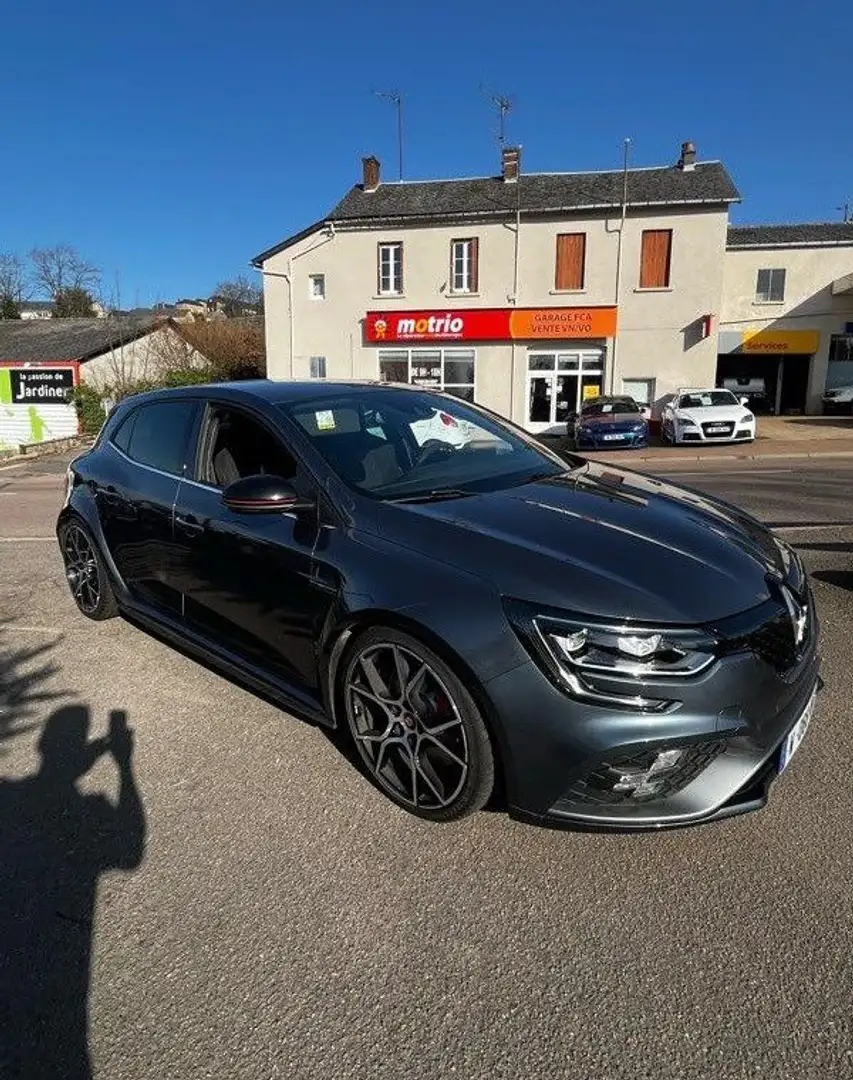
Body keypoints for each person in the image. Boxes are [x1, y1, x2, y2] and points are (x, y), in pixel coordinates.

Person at [0, 706, 145, 1080]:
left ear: (41, 746)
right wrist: (124, 767)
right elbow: (130, 853)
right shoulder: (92, 808)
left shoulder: (8, 796)